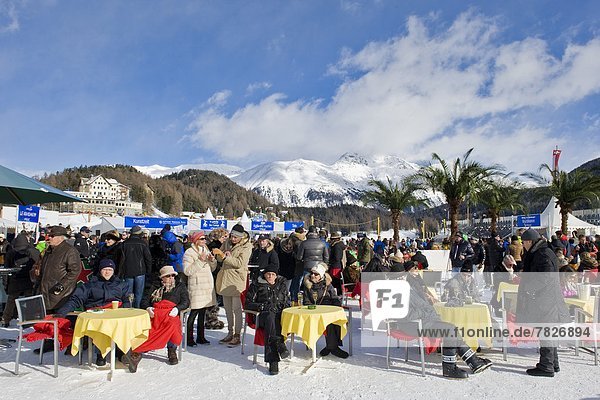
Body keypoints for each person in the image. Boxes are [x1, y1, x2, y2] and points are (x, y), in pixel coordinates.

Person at [392, 271, 492, 378]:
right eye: (398, 277)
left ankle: (473, 361)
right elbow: (404, 315)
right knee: (450, 330)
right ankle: (450, 368)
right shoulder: (395, 293)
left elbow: (421, 305)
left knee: (452, 328)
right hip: (413, 325)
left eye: (403, 276)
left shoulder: (409, 288)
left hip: (425, 321)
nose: (402, 279)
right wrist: (424, 312)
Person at [55, 258, 131, 366]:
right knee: (102, 325)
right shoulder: (90, 284)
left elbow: (127, 299)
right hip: (97, 314)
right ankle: (101, 354)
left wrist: (126, 310)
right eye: (105, 269)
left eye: (110, 269)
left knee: (125, 324)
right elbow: (76, 299)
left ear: (114, 271)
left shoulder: (121, 284)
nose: (107, 272)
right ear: (100, 270)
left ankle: (123, 352)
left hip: (115, 314)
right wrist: (62, 312)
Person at [516, 228, 570, 377]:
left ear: (529, 241)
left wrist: (530, 289)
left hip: (546, 300)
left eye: (523, 242)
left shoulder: (542, 253)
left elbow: (545, 277)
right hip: (547, 299)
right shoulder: (542, 251)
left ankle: (547, 366)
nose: (523, 246)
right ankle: (553, 363)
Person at [125, 265, 190, 372]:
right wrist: (148, 308)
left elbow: (186, 302)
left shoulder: (180, 286)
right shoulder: (154, 286)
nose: (171, 278)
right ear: (162, 278)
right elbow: (144, 300)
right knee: (147, 328)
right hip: (156, 314)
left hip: (170, 313)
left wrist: (177, 309)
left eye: (172, 275)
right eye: (168, 276)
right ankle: (137, 352)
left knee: (172, 325)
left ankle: (171, 349)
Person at [244, 264, 290, 375]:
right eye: (268, 274)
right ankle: (274, 358)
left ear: (276, 276)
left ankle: (276, 345)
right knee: (270, 317)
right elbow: (247, 304)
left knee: (274, 319)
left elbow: (287, 301)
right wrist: (261, 306)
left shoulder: (281, 285)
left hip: (278, 315)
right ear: (264, 274)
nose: (270, 276)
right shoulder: (257, 284)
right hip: (262, 316)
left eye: (273, 274)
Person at [213, 224, 252, 347]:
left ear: (241, 237)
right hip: (225, 278)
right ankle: (230, 332)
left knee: (236, 310)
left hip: (236, 281)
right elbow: (220, 260)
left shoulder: (247, 246)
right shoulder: (227, 243)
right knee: (228, 310)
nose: (233, 239)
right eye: (232, 236)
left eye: (235, 237)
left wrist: (224, 256)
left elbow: (240, 263)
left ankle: (237, 335)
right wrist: (218, 255)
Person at [302, 262, 348, 359]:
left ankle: (331, 346)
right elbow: (306, 302)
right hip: (314, 314)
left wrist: (336, 307)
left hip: (328, 311)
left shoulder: (328, 285)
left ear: (321, 276)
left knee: (333, 320)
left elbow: (335, 298)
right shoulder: (307, 285)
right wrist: (313, 308)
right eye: (312, 273)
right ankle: (333, 347)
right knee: (328, 322)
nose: (313, 275)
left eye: (316, 274)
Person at [37, 226, 82, 314]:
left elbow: (75, 271)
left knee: (60, 323)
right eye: (48, 235)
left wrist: (62, 285)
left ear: (61, 237)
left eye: (52, 236)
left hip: (61, 295)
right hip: (46, 292)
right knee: (46, 323)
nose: (49, 238)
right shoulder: (48, 250)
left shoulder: (70, 251)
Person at [183, 231, 217, 346]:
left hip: (206, 286)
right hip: (197, 287)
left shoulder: (205, 250)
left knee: (203, 312)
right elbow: (187, 271)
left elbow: (211, 269)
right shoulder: (189, 252)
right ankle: (189, 338)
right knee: (194, 312)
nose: (204, 241)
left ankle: (201, 337)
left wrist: (212, 261)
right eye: (202, 239)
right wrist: (200, 260)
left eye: (205, 239)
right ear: (196, 240)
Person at [2, 231, 40, 327]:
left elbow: (6, 269)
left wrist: (6, 284)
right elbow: (39, 265)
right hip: (29, 280)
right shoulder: (34, 251)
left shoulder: (11, 252)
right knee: (29, 301)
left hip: (15, 280)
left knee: (11, 301)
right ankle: (28, 320)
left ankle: (6, 319)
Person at [118, 225, 152, 308]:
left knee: (128, 294)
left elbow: (120, 259)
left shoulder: (124, 244)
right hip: (140, 271)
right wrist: (148, 270)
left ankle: (129, 309)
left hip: (127, 271)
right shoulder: (143, 244)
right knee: (139, 294)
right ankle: (137, 309)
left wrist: (120, 272)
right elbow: (148, 258)